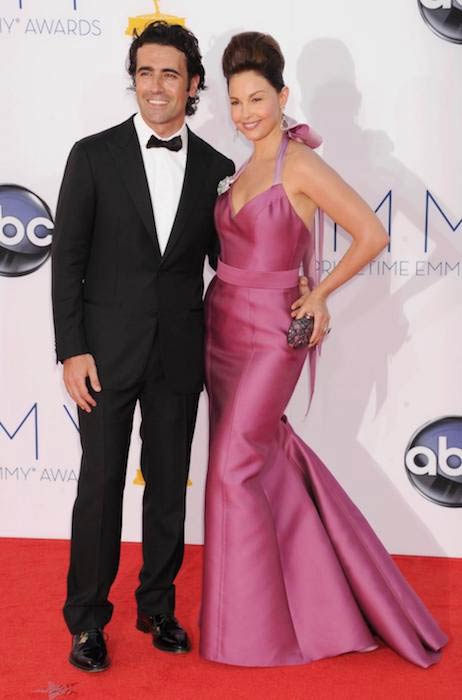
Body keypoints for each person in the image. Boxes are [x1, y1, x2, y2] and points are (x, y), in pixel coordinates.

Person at [199, 32, 447, 668]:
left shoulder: (297, 164)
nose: (247, 111)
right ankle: (329, 602)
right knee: (262, 462)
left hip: (274, 334)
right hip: (222, 327)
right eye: (236, 101)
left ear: (283, 96)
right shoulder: (239, 169)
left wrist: (320, 295)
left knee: (232, 469)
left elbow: (371, 233)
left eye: (258, 97)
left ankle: (249, 635)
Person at [52, 21, 234, 672]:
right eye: (146, 72)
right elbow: (66, 259)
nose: (157, 86)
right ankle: (85, 620)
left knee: (167, 488)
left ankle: (157, 604)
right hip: (102, 354)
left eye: (171, 74)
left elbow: (230, 261)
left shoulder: (218, 168)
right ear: (134, 78)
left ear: (192, 86)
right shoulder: (92, 155)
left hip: (180, 352)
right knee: (99, 485)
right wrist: (71, 349)